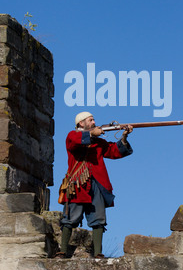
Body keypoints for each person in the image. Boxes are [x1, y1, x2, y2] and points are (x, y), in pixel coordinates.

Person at [57, 111, 133, 259]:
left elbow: (113, 151)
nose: (93, 122)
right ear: (81, 123)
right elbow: (74, 142)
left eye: (93, 120)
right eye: (90, 120)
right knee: (70, 218)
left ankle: (98, 253)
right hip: (77, 185)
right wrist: (92, 134)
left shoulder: (99, 142)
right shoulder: (72, 135)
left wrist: (124, 136)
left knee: (98, 219)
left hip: (96, 185)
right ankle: (63, 251)